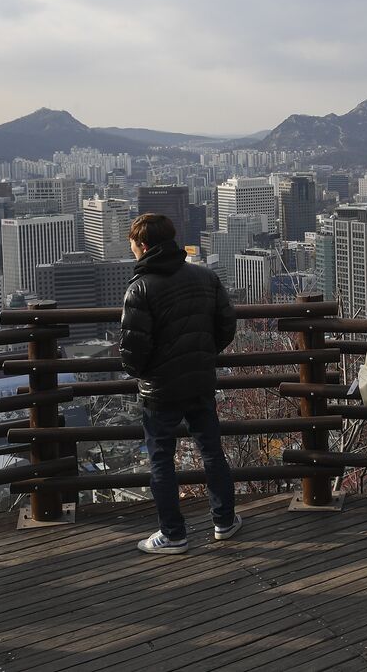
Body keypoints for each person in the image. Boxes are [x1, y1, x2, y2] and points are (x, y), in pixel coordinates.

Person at [120, 213, 240, 554]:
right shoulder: (205, 276)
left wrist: (144, 371)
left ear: (142, 246)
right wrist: (203, 352)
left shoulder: (140, 288)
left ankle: (173, 534)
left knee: (161, 459)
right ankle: (225, 521)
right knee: (212, 451)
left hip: (160, 389)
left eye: (132, 246)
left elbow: (132, 350)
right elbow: (226, 325)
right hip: (200, 380)